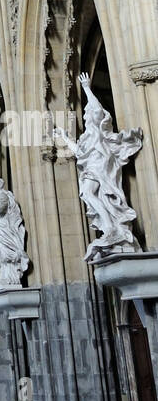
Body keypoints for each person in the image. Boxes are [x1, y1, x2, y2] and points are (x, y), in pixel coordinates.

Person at [53, 72, 142, 261]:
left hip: (101, 167)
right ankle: (110, 226)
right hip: (92, 168)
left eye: (88, 114)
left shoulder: (99, 132)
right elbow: (78, 152)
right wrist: (64, 137)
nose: (86, 116)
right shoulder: (86, 137)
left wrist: (86, 88)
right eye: (85, 114)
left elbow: (97, 109)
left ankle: (112, 227)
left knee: (88, 192)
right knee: (87, 193)